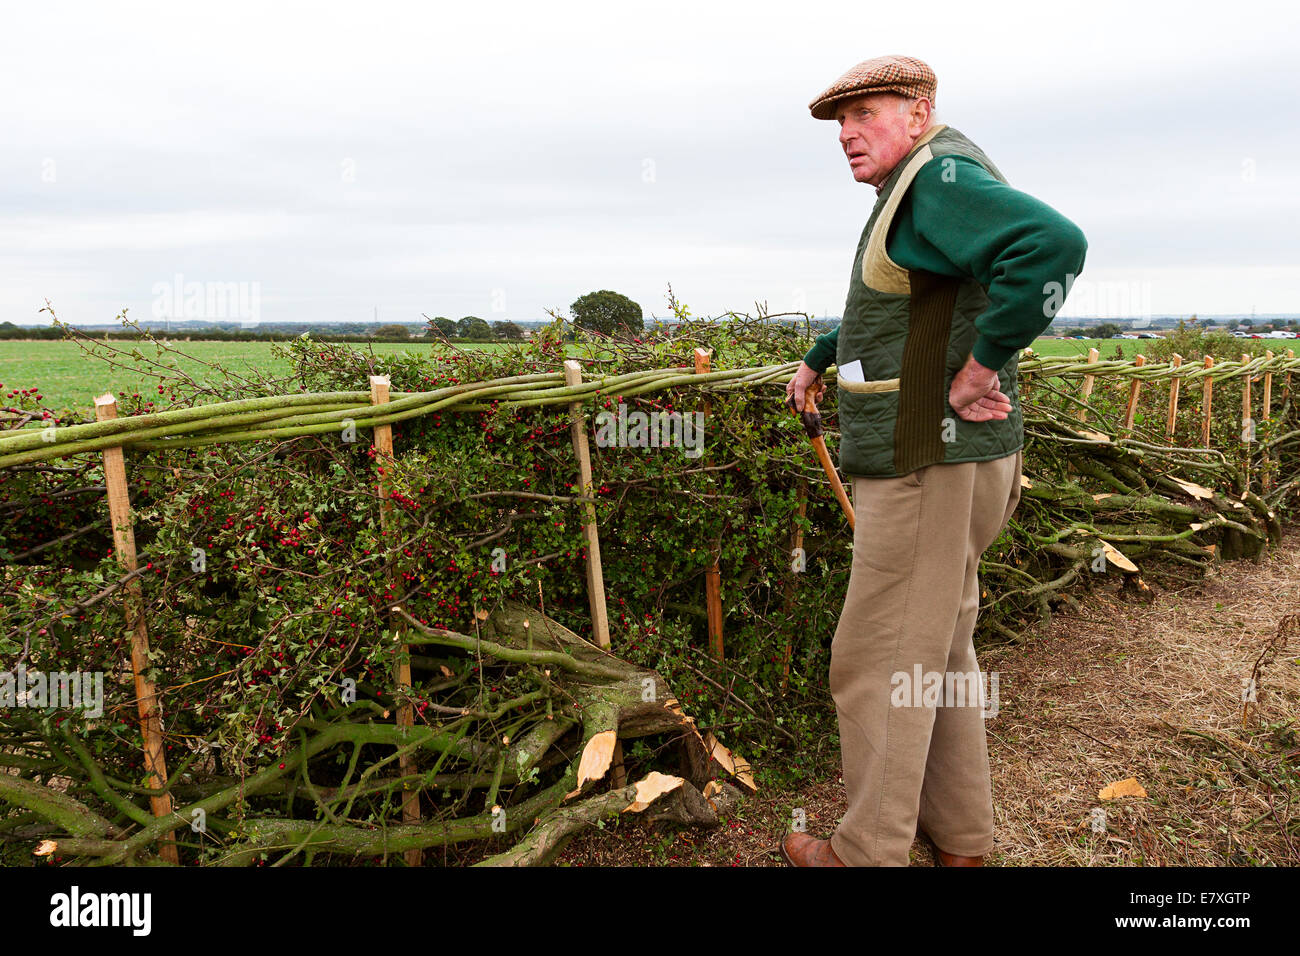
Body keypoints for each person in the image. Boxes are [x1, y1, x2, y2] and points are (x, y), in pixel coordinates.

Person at [780, 55, 1087, 867]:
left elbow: (1053, 244)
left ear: (917, 112)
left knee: (876, 658)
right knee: (940, 650)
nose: (847, 134)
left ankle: (865, 854)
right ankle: (960, 839)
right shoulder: (917, 186)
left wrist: (982, 368)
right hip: (962, 463)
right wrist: (819, 358)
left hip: (924, 463)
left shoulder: (937, 178)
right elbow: (906, 302)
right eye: (839, 124)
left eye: (865, 115)